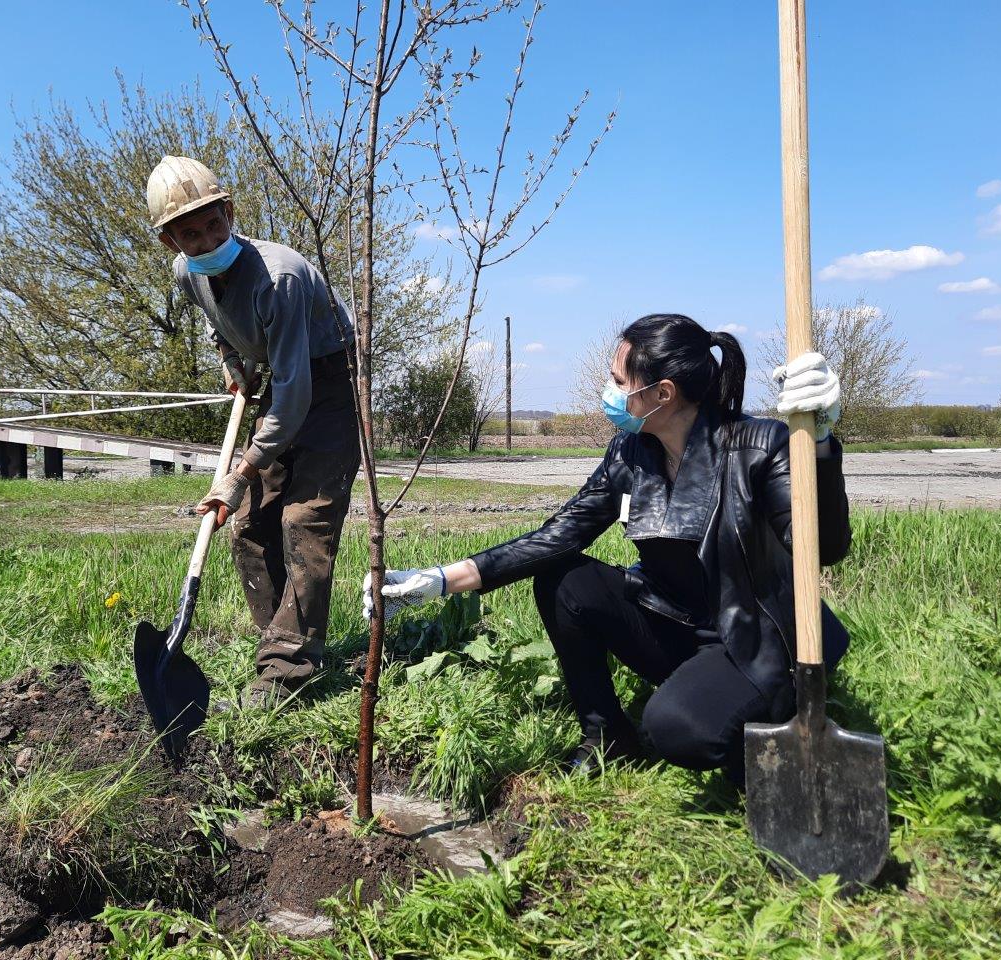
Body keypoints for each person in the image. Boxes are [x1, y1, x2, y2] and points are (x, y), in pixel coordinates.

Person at [363, 313, 849, 782]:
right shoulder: (630, 452)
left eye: (620, 382)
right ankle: (607, 736)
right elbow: (561, 535)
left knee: (677, 730)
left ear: (662, 393)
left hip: (756, 638)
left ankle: (766, 712)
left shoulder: (761, 445)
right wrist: (440, 579)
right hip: (677, 623)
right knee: (565, 578)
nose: (611, 393)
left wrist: (820, 442)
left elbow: (822, 547)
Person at [147, 155, 360, 708]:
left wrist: (241, 469)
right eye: (190, 233)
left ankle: (287, 672)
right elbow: (226, 326)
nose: (207, 237)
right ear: (171, 242)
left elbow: (295, 393)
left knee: (303, 518)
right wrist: (231, 356)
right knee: (247, 525)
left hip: (330, 379)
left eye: (215, 222)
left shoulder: (279, 277)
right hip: (282, 382)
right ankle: (281, 646)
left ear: (229, 210)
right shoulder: (187, 276)